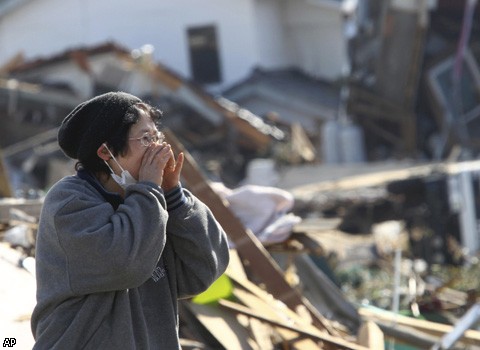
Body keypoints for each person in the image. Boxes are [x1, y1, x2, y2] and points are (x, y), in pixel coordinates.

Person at [31, 91, 230, 349]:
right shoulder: (69, 202)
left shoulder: (152, 203)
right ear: (105, 151)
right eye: (146, 138)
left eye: (157, 136)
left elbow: (202, 272)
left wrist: (175, 197)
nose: (159, 148)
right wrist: (149, 190)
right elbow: (125, 264)